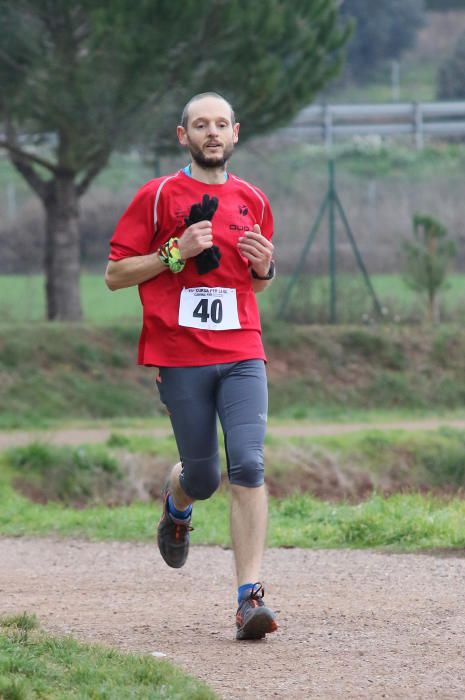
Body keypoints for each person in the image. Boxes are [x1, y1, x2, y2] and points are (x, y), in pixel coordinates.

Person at [105, 92, 277, 641]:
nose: (212, 133)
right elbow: (114, 274)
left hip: (242, 350)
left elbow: (254, 283)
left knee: (248, 465)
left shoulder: (254, 199)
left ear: (235, 133)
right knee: (202, 477)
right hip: (179, 356)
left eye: (221, 124)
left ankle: (249, 599)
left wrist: (265, 267)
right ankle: (178, 503)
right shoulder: (156, 197)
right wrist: (173, 253)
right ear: (183, 135)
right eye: (200, 125)